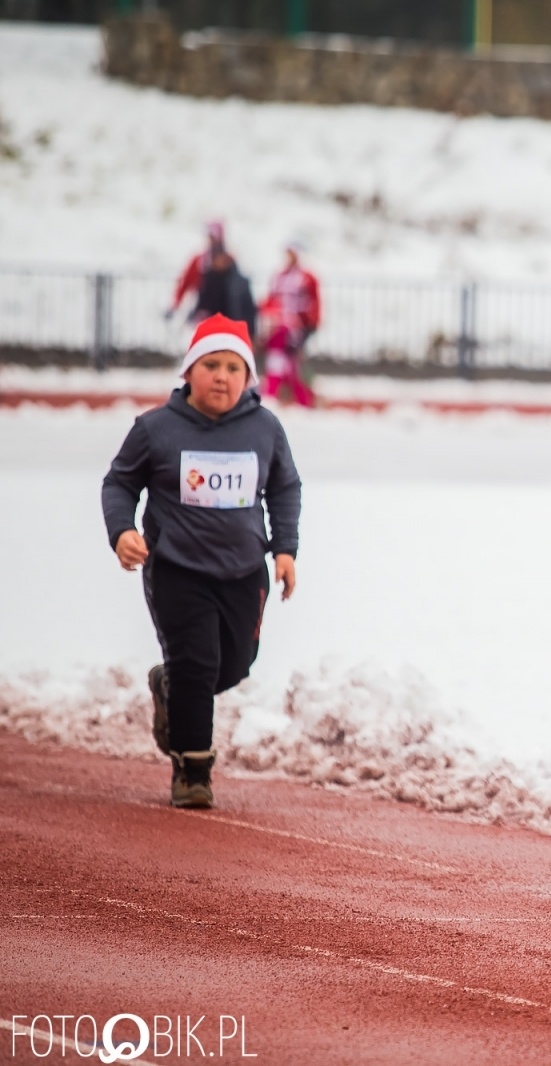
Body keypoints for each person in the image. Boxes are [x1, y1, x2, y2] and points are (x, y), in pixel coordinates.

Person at [101, 314, 302, 809]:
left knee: (233, 665)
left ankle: (171, 688)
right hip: (177, 568)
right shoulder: (156, 429)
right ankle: (192, 770)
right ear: (189, 371)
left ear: (248, 376)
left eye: (234, 367)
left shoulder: (265, 428)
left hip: (242, 570)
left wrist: (285, 549)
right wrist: (123, 530)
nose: (222, 376)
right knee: (197, 663)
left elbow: (284, 487)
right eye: (210, 365)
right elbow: (120, 483)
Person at [259, 240, 321, 408]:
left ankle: (280, 396)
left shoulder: (306, 278)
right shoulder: (279, 277)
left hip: (295, 328)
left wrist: (310, 327)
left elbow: (314, 304)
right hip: (277, 325)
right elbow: (271, 299)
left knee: (286, 364)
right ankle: (290, 397)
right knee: (281, 363)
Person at [166, 220, 228, 322]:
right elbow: (185, 282)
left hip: (224, 313)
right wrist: (176, 304)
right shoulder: (200, 261)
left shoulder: (228, 261)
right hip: (201, 312)